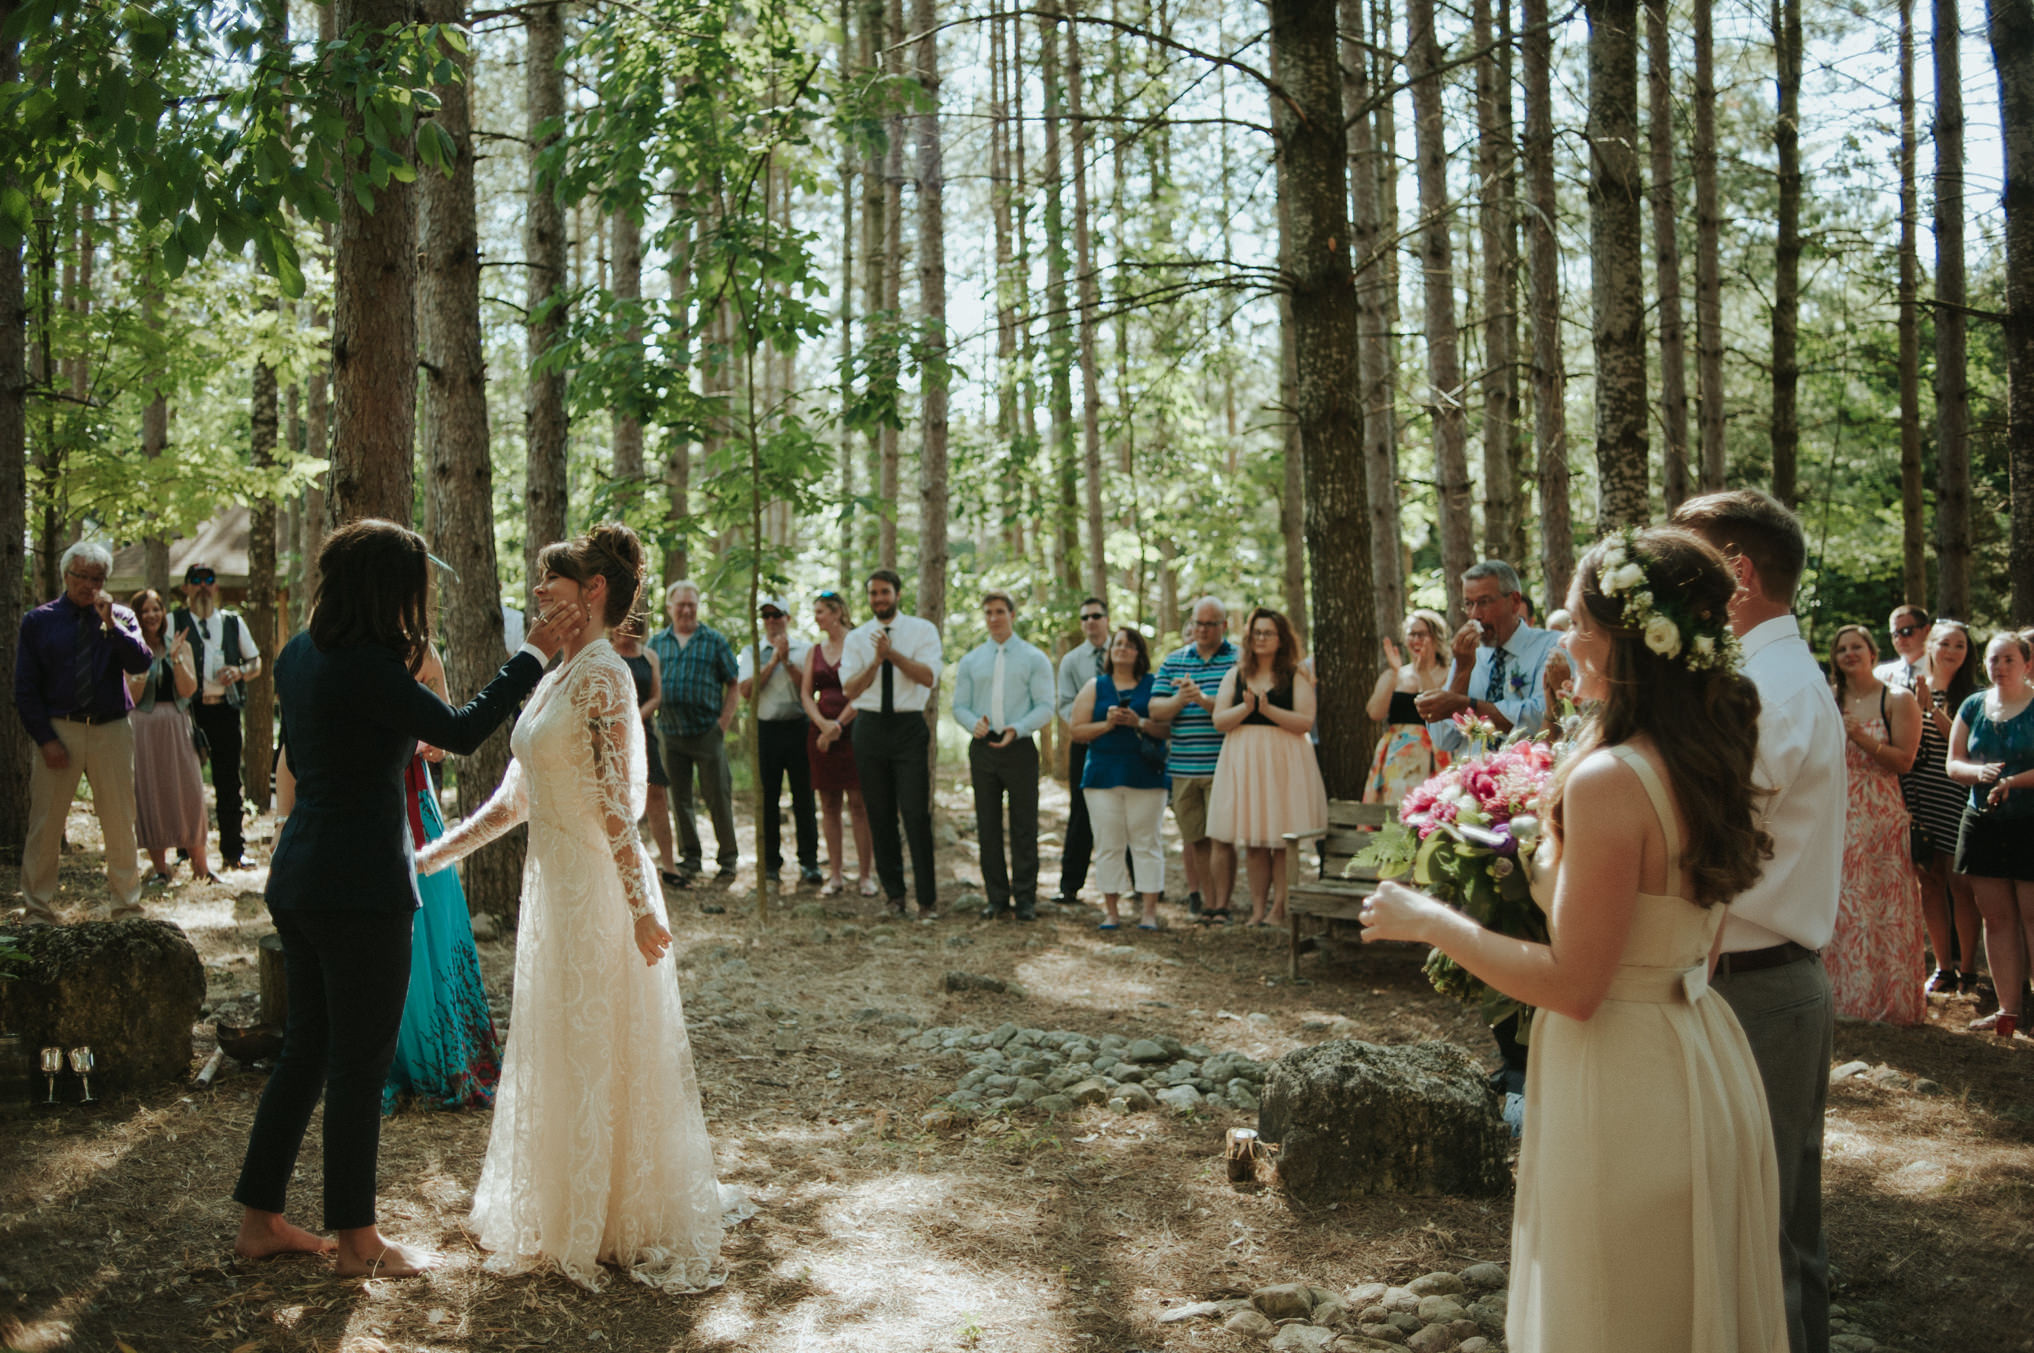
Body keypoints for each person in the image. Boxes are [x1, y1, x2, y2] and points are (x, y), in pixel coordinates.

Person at [1359, 525, 1786, 1353]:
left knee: (1613, 1312)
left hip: (1623, 1076)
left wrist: (1432, 919)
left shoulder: (1607, 780)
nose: (1567, 634)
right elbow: (1698, 935)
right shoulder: (1709, 754)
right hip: (1702, 1051)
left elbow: (1577, 982)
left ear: (1629, 640)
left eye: (1581, 620)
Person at [232, 518, 573, 1278]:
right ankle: (358, 1241)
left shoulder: (299, 655)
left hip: (299, 877)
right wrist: (534, 655)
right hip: (361, 888)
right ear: (386, 590)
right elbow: (460, 730)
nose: (417, 605)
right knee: (358, 1062)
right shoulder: (371, 667)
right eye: (412, 590)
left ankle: (260, 1219)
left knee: (306, 1052)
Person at [418, 523, 748, 1291]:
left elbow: (614, 810)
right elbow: (512, 801)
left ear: (591, 594)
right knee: (558, 1045)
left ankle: (611, 1217)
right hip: (552, 890)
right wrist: (431, 858)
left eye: (551, 587)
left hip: (598, 890)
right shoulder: (555, 675)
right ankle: (567, 1203)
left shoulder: (604, 676)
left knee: (599, 1047)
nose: (538, 597)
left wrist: (640, 908)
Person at [1673, 488, 1843, 1353]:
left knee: (1764, 1235)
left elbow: (1704, 834)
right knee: (1774, 1229)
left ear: (1737, 573)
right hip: (1755, 977)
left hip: (1761, 984)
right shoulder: (1764, 677)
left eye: (1687, 565)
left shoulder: (1772, 689)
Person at [14, 542, 154, 924]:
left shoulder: (120, 617)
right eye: (83, 577)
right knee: (45, 824)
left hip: (111, 728)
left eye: (98, 579)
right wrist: (45, 739)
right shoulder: (38, 621)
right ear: (66, 576)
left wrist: (110, 624)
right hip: (60, 728)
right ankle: (37, 909)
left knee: (120, 820)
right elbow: (24, 689)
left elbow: (141, 661)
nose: (90, 586)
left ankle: (126, 906)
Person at [1825, 624, 1925, 1025]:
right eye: (1842, 648)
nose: (1849, 653)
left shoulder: (1897, 699)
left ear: (1871, 652)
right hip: (1839, 810)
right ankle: (1845, 998)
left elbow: (1905, 762)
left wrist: (1860, 738)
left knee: (1884, 906)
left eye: (1857, 646)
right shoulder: (1829, 699)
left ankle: (1891, 1002)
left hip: (1881, 810)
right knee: (1844, 902)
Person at [1207, 607, 1328, 928]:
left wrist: (1268, 709)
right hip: (1245, 763)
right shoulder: (1236, 674)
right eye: (1256, 633)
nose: (1261, 639)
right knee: (1256, 842)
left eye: (1268, 633)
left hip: (1283, 764)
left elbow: (1305, 721)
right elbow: (1219, 720)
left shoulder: (1295, 674)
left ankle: (1280, 909)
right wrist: (1246, 709)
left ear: (1281, 639)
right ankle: (1258, 910)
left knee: (1281, 842)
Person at [839, 569, 945, 919]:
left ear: (897, 594)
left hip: (908, 728)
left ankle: (927, 900)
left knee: (915, 813)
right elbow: (849, 690)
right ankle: (894, 898)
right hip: (869, 728)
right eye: (873, 594)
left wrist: (893, 655)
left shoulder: (921, 630)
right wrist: (876, 660)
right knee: (879, 815)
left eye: (884, 592)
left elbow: (928, 678)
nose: (878, 599)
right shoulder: (857, 638)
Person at [1944, 630, 2034, 1040]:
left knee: (2033, 917)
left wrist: (2012, 783)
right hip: (1981, 821)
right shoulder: (1973, 705)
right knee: (1996, 919)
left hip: (2028, 823)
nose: (1999, 668)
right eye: (1993, 660)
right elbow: (1953, 763)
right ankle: (2008, 1012)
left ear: (2027, 664)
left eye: (2008, 660)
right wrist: (1977, 774)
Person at [952, 589, 1056, 921]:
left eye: (1000, 611)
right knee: (988, 825)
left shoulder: (1033, 657)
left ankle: (1025, 898)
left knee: (1024, 824)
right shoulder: (972, 661)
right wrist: (973, 724)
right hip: (983, 749)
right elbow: (959, 705)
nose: (994, 618)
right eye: (988, 613)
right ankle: (997, 898)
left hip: (1020, 746)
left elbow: (1045, 706)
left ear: (1012, 614)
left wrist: (1019, 727)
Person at [1150, 598, 1242, 923]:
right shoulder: (1175, 660)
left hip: (1223, 765)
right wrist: (1180, 699)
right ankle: (1208, 902)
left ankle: (1223, 906)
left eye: (1209, 624)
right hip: (1184, 766)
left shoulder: (1239, 659)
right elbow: (1155, 709)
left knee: (1222, 838)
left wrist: (1202, 699)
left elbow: (1241, 707)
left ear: (1223, 626)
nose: (1201, 630)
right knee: (1197, 838)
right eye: (1197, 624)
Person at [1069, 626, 1168, 929]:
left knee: (1146, 842)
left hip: (1146, 774)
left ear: (1140, 651)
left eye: (1129, 644)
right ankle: (1111, 911)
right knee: (1108, 842)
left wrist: (1139, 722)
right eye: (1118, 644)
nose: (1122, 648)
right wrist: (1107, 725)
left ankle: (1149, 912)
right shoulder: (1095, 686)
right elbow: (1077, 730)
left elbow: (1167, 729)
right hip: (1102, 775)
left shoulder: (1154, 685)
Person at [1907, 621, 1985, 996]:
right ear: (1930, 646)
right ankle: (1943, 968)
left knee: (1961, 884)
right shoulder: (1908, 687)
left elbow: (1965, 747)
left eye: (1960, 645)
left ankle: (1968, 969)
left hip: (1957, 797)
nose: (1953, 651)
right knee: (1930, 882)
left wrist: (1932, 710)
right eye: (1946, 643)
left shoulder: (1974, 696)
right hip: (1919, 797)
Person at [1419, 559, 1563, 759]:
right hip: (1473, 778)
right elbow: (1445, 739)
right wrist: (1461, 670)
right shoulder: (1468, 655)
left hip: (1527, 776)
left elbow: (1540, 717)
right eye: (1469, 604)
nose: (1475, 615)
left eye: (1484, 602)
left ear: (1514, 601)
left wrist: (1465, 705)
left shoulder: (1550, 646)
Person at [648, 580, 740, 885]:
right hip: (670, 733)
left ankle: (727, 859)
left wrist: (722, 724)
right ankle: (690, 858)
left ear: (697, 606)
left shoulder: (713, 640)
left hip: (706, 732)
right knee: (680, 798)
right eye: (681, 604)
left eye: (691, 604)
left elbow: (734, 683)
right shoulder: (656, 643)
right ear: (669, 607)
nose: (686, 610)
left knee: (718, 795)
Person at [172, 563, 263, 870]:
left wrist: (239, 672)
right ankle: (186, 850)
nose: (202, 586)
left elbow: (255, 662)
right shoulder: (175, 620)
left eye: (208, 580)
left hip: (225, 710)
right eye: (195, 581)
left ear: (216, 587)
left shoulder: (232, 622)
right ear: (185, 588)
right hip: (189, 712)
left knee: (228, 783)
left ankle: (233, 851)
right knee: (186, 783)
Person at [126, 588, 212, 886]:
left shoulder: (180, 645)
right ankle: (161, 869)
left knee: (189, 791)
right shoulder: (129, 650)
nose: (151, 615)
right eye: (144, 610)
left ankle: (201, 868)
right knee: (151, 792)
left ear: (163, 614)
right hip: (144, 727)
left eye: (156, 609)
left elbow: (188, 691)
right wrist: (140, 669)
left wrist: (175, 659)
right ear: (136, 616)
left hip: (176, 724)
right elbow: (132, 698)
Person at [738, 596, 822, 888]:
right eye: (766, 616)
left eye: (777, 615)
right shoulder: (751, 651)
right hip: (766, 731)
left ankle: (809, 863)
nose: (772, 620)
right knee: (768, 799)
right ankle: (771, 864)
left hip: (800, 728)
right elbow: (747, 691)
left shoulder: (806, 649)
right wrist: (772, 660)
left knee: (804, 799)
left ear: (788, 617)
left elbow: (810, 690)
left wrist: (787, 661)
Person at [799, 590, 875, 897]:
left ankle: (867, 875)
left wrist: (839, 725)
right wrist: (823, 726)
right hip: (820, 734)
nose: (816, 617)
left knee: (859, 803)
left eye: (820, 612)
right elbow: (806, 694)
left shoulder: (858, 644)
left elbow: (865, 688)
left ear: (836, 612)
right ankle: (836, 874)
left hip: (854, 728)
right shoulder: (814, 650)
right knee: (829, 804)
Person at [1051, 597, 1114, 907]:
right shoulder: (1072, 661)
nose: (1090, 622)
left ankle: (1138, 885)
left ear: (1107, 618)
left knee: (1126, 810)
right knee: (1081, 813)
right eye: (1085, 617)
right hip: (1085, 745)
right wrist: (1087, 726)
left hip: (1122, 746)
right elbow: (1064, 703)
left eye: (1096, 616)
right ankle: (1070, 886)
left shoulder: (1125, 651)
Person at [1362, 608, 1452, 809]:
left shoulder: (1449, 674)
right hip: (1397, 759)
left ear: (1436, 638)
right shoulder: (1395, 674)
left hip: (1433, 754)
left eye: (1422, 634)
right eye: (1412, 634)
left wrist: (1423, 673)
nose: (1416, 640)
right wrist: (1394, 673)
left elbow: (1436, 714)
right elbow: (1375, 713)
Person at [613, 625, 679, 882]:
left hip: (643, 732)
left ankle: (670, 866)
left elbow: (656, 696)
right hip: (611, 732)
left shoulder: (649, 656)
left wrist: (635, 719)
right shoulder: (606, 652)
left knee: (657, 794)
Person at [1873, 604, 1931, 687]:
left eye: (1906, 631)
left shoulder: (1941, 672)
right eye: (1895, 634)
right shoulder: (1881, 675)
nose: (1899, 639)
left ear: (1926, 631)